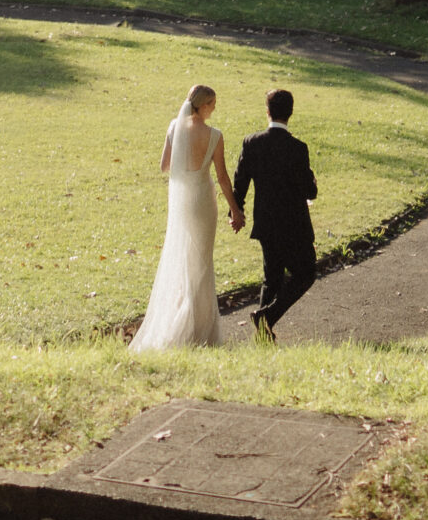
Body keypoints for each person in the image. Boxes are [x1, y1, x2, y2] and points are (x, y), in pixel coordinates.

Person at [127, 83, 240, 350]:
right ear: (203, 105)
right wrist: (235, 209)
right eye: (213, 103)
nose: (215, 108)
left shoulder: (173, 127)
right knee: (201, 263)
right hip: (202, 201)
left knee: (182, 259)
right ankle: (198, 331)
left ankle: (180, 321)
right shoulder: (215, 135)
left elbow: (165, 166)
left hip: (181, 202)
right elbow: (222, 177)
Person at [231, 87, 318, 343]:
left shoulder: (252, 143)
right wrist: (313, 180)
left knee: (273, 277)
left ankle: (263, 335)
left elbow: (241, 180)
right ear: (290, 113)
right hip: (295, 224)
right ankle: (267, 317)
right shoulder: (298, 148)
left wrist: (236, 210)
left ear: (267, 112)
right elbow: (309, 192)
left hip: (266, 222)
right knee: (306, 273)